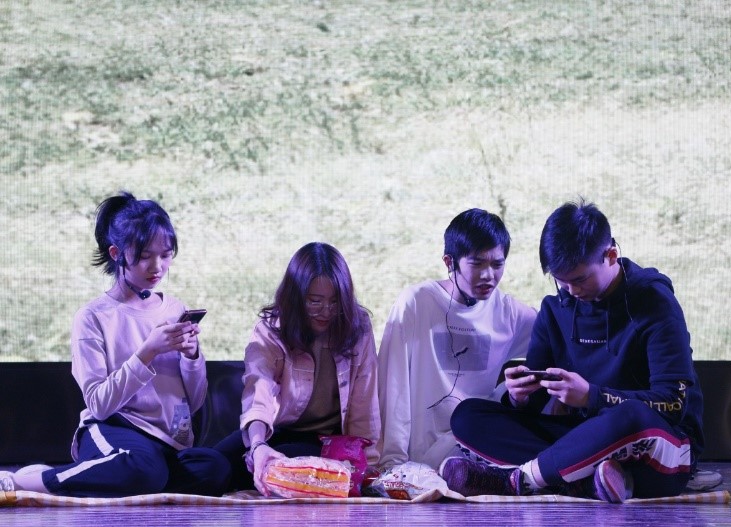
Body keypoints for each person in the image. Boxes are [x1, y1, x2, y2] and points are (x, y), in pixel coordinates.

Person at [440, 198, 705, 503]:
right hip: (584, 442)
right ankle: (587, 482)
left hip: (657, 443)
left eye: (579, 279)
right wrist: (519, 396)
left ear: (611, 255)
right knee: (468, 416)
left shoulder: (654, 301)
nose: (572, 291)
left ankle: (518, 480)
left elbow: (673, 403)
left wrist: (592, 396)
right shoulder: (555, 310)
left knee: (629, 415)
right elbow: (536, 403)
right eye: (561, 281)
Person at [0, 192, 231, 497]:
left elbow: (196, 400)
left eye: (166, 255)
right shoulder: (93, 317)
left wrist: (192, 357)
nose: (157, 267)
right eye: (145, 256)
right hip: (114, 428)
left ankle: (129, 478)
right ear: (116, 253)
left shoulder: (175, 308)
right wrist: (147, 351)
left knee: (215, 469)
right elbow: (99, 404)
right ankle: (27, 481)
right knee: (143, 469)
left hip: (167, 441)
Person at [377, 208, 538, 470]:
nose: (488, 275)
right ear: (449, 262)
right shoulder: (417, 302)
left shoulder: (508, 312)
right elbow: (393, 384)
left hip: (476, 446)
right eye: (477, 264)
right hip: (419, 457)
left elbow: (554, 336)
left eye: (497, 265)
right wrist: (392, 462)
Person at [214, 242, 380, 495]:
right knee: (211, 465)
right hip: (275, 431)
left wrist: (365, 469)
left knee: (279, 465)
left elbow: (364, 405)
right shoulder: (271, 329)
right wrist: (257, 446)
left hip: (326, 442)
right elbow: (258, 391)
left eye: (335, 302)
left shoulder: (357, 328)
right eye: (315, 301)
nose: (326, 311)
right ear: (296, 297)